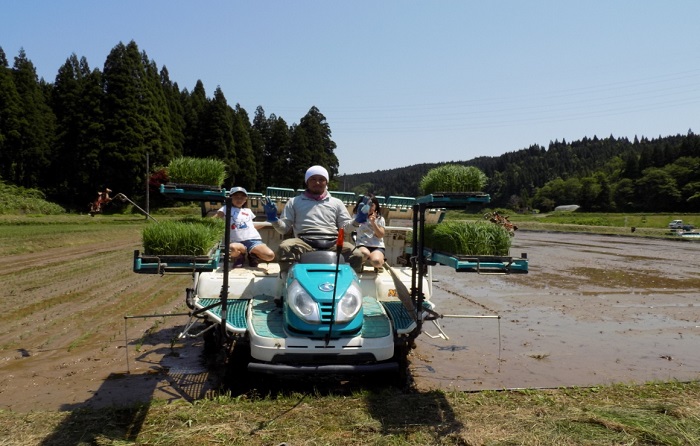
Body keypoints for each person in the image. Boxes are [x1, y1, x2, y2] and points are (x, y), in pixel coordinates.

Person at [263, 165, 367, 273]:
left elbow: (345, 228)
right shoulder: (294, 202)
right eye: (313, 179)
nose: (317, 182)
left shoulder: (337, 203)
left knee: (356, 254)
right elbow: (284, 229)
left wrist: (356, 221)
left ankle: (349, 284)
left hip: (333, 243)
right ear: (307, 182)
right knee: (285, 247)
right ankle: (288, 279)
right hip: (303, 242)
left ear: (326, 182)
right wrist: (274, 219)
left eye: (321, 179)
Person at [215, 187, 275, 268]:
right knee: (232, 248)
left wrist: (267, 222)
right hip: (236, 241)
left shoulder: (248, 211)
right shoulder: (225, 208)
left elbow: (252, 226)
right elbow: (215, 219)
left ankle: (253, 255)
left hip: (253, 240)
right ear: (230, 198)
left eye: (242, 197)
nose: (239, 199)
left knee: (270, 256)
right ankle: (240, 256)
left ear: (245, 199)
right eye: (236, 196)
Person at [352, 195, 386, 271]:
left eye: (372, 205)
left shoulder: (380, 219)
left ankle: (380, 263)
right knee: (364, 253)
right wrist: (359, 218)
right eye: (366, 205)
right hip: (362, 244)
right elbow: (350, 228)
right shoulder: (356, 216)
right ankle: (360, 263)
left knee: (376, 261)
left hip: (377, 245)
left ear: (376, 206)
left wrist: (373, 223)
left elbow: (380, 235)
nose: (369, 208)